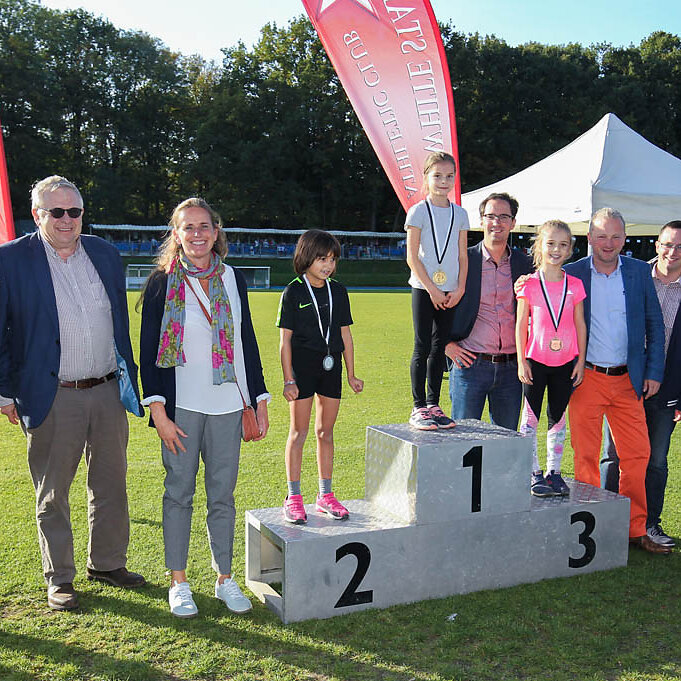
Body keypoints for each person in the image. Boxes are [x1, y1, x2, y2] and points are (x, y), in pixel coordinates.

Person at [0, 175, 145, 611]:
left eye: (74, 211)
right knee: (53, 492)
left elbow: (118, 323)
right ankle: (59, 577)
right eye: (56, 211)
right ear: (37, 214)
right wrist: (5, 393)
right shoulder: (10, 259)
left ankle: (108, 563)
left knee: (111, 483)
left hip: (107, 390)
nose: (67, 219)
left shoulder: (104, 253)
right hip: (52, 393)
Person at [139, 197, 269, 618]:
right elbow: (148, 351)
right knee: (179, 493)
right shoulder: (161, 282)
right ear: (176, 234)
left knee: (222, 496)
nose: (197, 234)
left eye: (204, 226)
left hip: (229, 405)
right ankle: (178, 582)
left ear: (216, 232)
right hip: (181, 408)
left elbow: (245, 340)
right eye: (188, 227)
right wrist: (158, 411)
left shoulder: (233, 277)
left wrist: (259, 398)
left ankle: (224, 577)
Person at [564, 207, 667, 554]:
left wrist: (653, 372)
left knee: (637, 455)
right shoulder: (572, 273)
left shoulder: (639, 272)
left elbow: (655, 325)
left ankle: (635, 529)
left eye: (615, 236)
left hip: (627, 381)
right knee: (586, 456)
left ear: (625, 239)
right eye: (601, 236)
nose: (608, 243)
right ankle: (588, 529)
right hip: (586, 379)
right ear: (589, 238)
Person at [600, 220, 681, 547]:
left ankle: (649, 524)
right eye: (667, 244)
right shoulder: (633, 275)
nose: (672, 252)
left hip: (668, 390)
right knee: (614, 455)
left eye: (680, 247)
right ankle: (605, 521)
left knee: (656, 460)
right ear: (657, 245)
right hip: (624, 383)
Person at [277, 230, 363, 525]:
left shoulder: (338, 291)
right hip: (302, 370)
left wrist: (351, 374)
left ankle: (325, 494)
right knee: (298, 432)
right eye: (322, 259)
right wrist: (288, 379)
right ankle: (293, 497)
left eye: (332, 260)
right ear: (306, 257)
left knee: (326, 432)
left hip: (331, 368)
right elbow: (284, 342)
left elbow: (345, 334)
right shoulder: (293, 292)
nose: (328, 265)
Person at [445, 192, 533, 430]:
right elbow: (432, 304)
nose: (497, 222)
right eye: (491, 216)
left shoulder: (525, 264)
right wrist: (445, 344)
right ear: (481, 220)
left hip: (512, 370)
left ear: (513, 223)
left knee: (505, 441)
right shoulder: (462, 260)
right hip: (469, 366)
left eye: (504, 217)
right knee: (463, 439)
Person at [515, 220, 586, 497]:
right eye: (551, 243)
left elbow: (580, 324)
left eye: (563, 245)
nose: (556, 250)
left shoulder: (575, 285)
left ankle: (553, 472)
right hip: (535, 360)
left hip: (566, 363)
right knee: (529, 418)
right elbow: (521, 324)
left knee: (558, 417)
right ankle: (533, 472)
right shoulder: (529, 284)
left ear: (569, 250)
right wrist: (522, 361)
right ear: (540, 246)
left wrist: (580, 361)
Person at [405, 151, 469, 430]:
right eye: (438, 176)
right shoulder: (418, 211)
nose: (444, 181)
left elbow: (462, 255)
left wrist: (460, 288)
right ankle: (419, 406)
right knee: (422, 345)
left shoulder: (460, 214)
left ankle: (433, 404)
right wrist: (431, 289)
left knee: (439, 347)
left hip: (450, 291)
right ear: (427, 178)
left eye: (449, 176)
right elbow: (412, 257)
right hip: (424, 288)